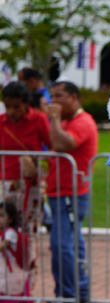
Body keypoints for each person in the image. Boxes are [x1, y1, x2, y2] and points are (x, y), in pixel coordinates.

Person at [45, 81, 97, 303]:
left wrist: (54, 119)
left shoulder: (82, 122)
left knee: (61, 245)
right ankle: (80, 293)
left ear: (74, 97)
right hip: (60, 192)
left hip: (70, 193)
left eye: (59, 96)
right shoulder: (67, 122)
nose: (54, 101)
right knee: (73, 244)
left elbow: (61, 144)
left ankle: (66, 297)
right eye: (52, 96)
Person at [0, 81, 49, 227]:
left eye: (16, 107)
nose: (11, 111)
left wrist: (40, 164)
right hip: (5, 181)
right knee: (5, 224)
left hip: (31, 182)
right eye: (7, 106)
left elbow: (52, 146)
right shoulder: (1, 122)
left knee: (29, 225)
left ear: (26, 104)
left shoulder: (39, 119)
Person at [0, 202, 30, 303]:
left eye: (2, 216)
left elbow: (2, 246)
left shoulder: (10, 233)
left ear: (10, 219)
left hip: (11, 268)